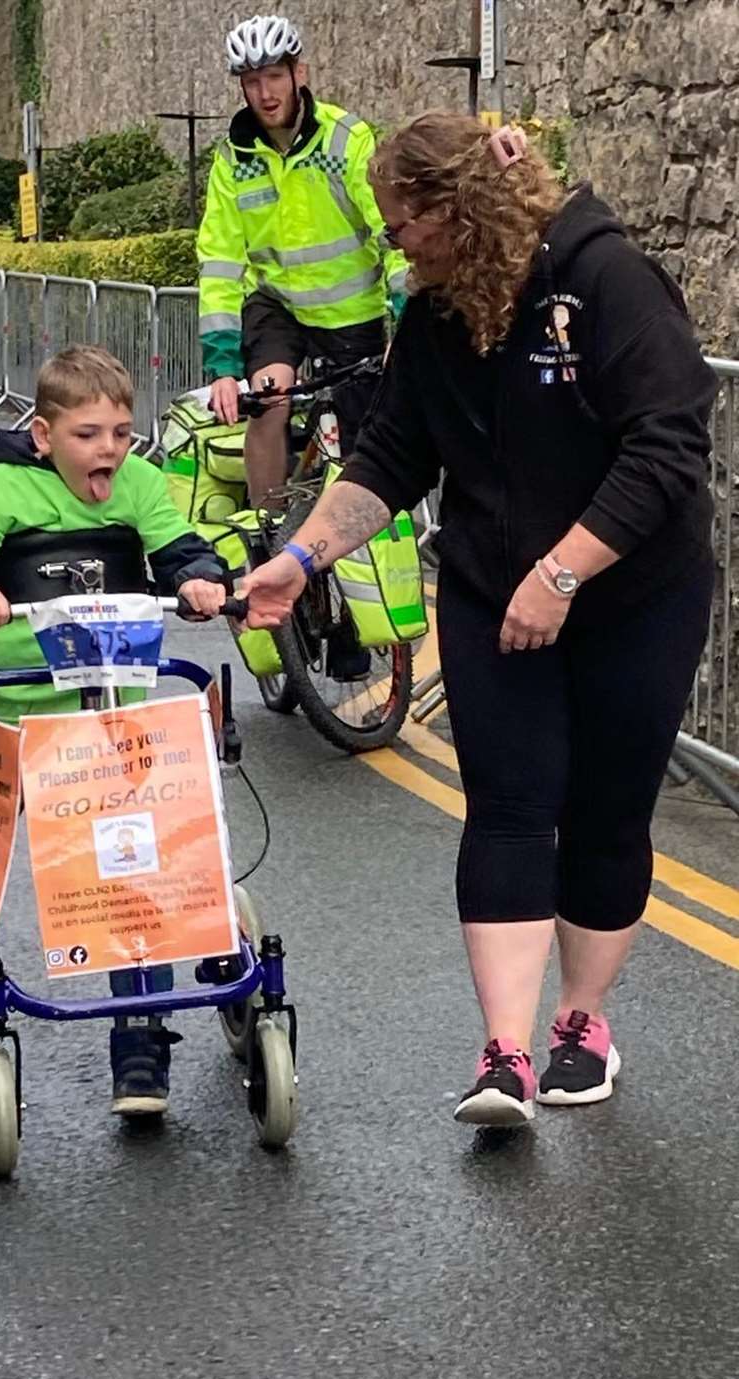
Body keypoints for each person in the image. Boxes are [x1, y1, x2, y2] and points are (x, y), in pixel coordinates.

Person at [239, 113, 716, 1128]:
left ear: (458, 207)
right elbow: (393, 456)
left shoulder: (609, 284)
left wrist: (564, 573)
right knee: (507, 804)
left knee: (604, 809)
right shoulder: (436, 317)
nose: (393, 242)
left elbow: (667, 449)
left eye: (403, 220)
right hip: (494, 598)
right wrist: (298, 558)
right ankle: (505, 1053)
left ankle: (581, 1022)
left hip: (635, 597)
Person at [0, 345, 228, 1119]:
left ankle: (139, 1043)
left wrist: (200, 577)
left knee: (130, 877)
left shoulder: (137, 483)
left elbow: (176, 546)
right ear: (44, 435)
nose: (109, 450)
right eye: (88, 434)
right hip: (12, 716)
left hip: (112, 719)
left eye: (121, 432)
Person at [197, 14, 407, 504]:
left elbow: (390, 229)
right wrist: (223, 365)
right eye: (252, 81)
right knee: (268, 402)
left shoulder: (346, 139)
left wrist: (405, 308)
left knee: (365, 440)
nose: (265, 92)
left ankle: (362, 549)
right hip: (279, 309)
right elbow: (220, 261)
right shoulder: (233, 159)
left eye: (274, 76)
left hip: (352, 313)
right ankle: (267, 531)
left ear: (300, 74)